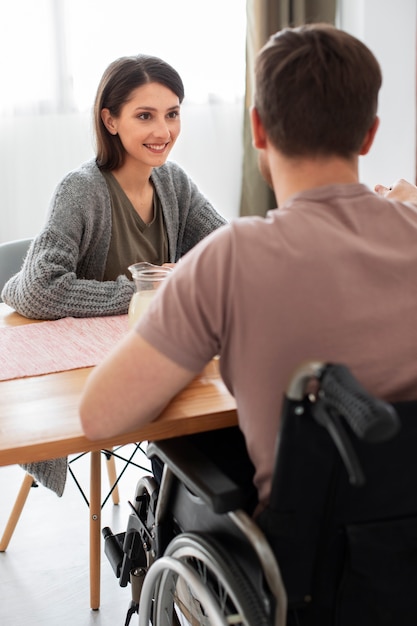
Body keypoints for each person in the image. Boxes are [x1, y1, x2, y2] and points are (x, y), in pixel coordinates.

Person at [79, 23, 417, 512]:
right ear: (368, 136)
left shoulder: (230, 259)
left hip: (313, 565)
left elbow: (99, 415)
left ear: (258, 128)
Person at [1, 54, 226, 320]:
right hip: (87, 352)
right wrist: (146, 292)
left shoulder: (175, 184)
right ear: (110, 121)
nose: (164, 132)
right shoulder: (80, 191)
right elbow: (38, 291)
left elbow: (233, 252)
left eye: (172, 114)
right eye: (145, 116)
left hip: (155, 341)